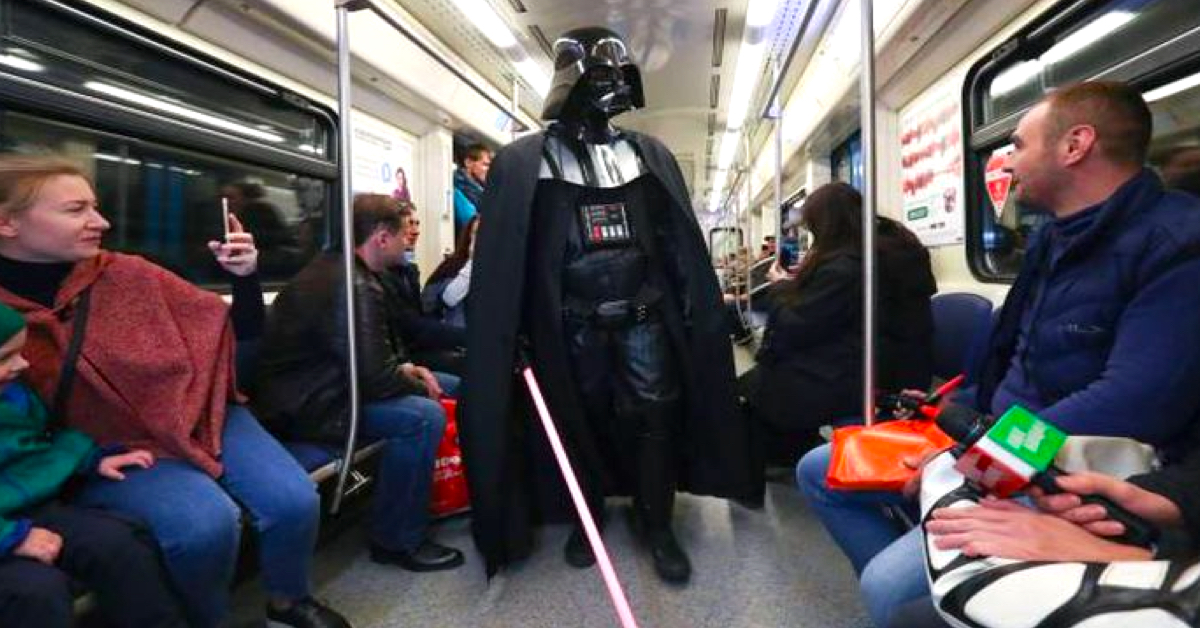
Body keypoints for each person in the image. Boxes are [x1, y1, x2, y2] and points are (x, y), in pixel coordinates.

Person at [797, 81, 1200, 627]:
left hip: (1065, 461)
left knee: (886, 587)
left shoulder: (1176, 244)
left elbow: (1134, 401)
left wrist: (984, 453)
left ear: (1075, 145)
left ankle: (942, 576)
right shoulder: (1052, 240)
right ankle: (949, 576)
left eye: (1017, 145)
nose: (1007, 161)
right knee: (820, 470)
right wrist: (951, 420)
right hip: (998, 432)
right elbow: (1006, 358)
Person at [0, 156, 351, 628]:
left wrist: (244, 278)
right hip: (107, 442)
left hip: (196, 406)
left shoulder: (129, 274)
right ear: (8, 223)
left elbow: (232, 334)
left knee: (292, 499)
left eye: (95, 206)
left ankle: (288, 600)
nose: (101, 222)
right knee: (202, 525)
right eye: (76, 209)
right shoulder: (8, 319)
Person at [462, 26, 758, 584]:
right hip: (569, 324)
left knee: (656, 417)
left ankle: (657, 522)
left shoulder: (649, 155)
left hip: (644, 317)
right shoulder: (523, 162)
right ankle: (587, 516)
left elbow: (676, 245)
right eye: (603, 75)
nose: (617, 87)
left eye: (622, 75)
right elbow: (509, 258)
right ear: (570, 80)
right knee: (579, 420)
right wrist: (512, 329)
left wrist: (696, 312)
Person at [256, 193, 464, 573]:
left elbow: (365, 359)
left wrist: (408, 369)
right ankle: (396, 539)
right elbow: (376, 379)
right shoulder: (356, 284)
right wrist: (421, 386)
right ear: (382, 238)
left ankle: (424, 502)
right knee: (423, 417)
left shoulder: (337, 270)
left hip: (320, 391)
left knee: (440, 388)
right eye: (401, 235)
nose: (407, 242)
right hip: (310, 407)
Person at [0, 302, 187, 628]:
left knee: (118, 544)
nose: (23, 363)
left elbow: (37, 445)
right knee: (37, 592)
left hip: (26, 507)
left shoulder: (14, 395)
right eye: (5, 358)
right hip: (8, 529)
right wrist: (11, 538)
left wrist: (88, 459)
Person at [740, 182, 936, 468]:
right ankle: (793, 447)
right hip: (901, 362)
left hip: (872, 375)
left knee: (768, 377)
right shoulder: (891, 248)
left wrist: (780, 286)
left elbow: (798, 325)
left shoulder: (848, 264)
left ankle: (786, 453)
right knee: (778, 367)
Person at [383, 205, 467, 375]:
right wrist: (466, 337)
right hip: (403, 357)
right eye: (409, 224)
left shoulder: (409, 271)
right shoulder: (386, 274)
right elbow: (411, 327)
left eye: (417, 223)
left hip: (416, 348)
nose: (416, 231)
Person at [422, 215, 478, 328]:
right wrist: (472, 260)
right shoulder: (452, 266)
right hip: (456, 332)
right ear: (469, 236)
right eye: (476, 233)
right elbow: (449, 299)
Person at [453, 144, 491, 235]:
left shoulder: (483, 191)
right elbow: (471, 224)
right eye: (485, 164)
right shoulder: (457, 189)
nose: (489, 170)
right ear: (468, 163)